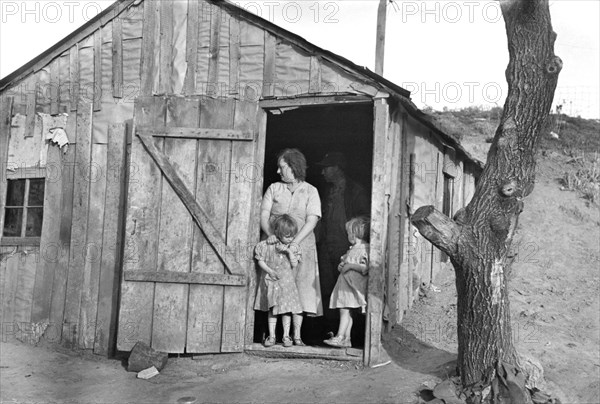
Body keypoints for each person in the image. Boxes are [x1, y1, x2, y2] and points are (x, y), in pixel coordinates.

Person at [260, 148, 322, 346]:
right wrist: (271, 236)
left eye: (282, 167)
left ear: (294, 167)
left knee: (301, 289)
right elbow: (263, 214)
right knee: (275, 288)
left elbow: (312, 220)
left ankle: (296, 336)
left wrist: (295, 243)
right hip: (274, 247)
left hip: (302, 246)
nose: (278, 172)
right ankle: (273, 335)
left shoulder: (311, 191)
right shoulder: (273, 188)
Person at [316, 152, 370, 336]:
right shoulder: (327, 190)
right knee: (328, 287)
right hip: (327, 245)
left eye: (326, 167)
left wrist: (354, 238)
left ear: (337, 168)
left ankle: (350, 333)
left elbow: (365, 219)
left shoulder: (355, 190)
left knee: (349, 291)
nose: (323, 172)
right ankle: (332, 329)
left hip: (347, 247)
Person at [254, 214, 303, 347]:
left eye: (293, 235)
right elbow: (260, 261)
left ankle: (286, 336)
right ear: (278, 233)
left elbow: (294, 264)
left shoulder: (293, 248)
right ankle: (272, 336)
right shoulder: (266, 245)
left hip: (286, 284)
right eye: (287, 236)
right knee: (273, 309)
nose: (291, 239)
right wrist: (269, 271)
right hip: (272, 281)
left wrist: (288, 251)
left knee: (286, 310)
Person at [324, 216, 370, 348]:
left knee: (344, 311)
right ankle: (347, 339)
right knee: (348, 312)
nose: (348, 236)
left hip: (351, 287)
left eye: (349, 233)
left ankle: (339, 336)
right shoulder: (352, 249)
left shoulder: (365, 250)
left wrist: (350, 266)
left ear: (354, 234)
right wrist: (342, 265)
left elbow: (366, 268)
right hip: (346, 286)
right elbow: (346, 263)